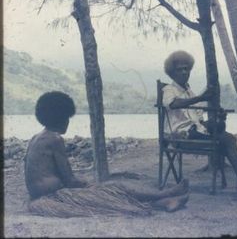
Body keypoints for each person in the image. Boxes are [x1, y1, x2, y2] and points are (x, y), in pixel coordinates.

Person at [24, 91, 189, 216]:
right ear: (60, 118)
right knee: (114, 189)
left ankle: (166, 200)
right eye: (68, 118)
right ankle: (165, 195)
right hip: (54, 196)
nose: (68, 122)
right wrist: (90, 185)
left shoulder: (37, 137)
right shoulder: (55, 139)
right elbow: (69, 179)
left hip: (42, 195)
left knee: (110, 190)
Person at [162, 50, 237, 194]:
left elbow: (198, 119)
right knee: (227, 141)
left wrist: (219, 118)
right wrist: (200, 98)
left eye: (187, 69)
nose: (185, 72)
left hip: (195, 131)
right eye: (180, 69)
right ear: (172, 73)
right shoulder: (169, 89)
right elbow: (173, 104)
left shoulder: (189, 91)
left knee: (227, 139)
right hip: (181, 135)